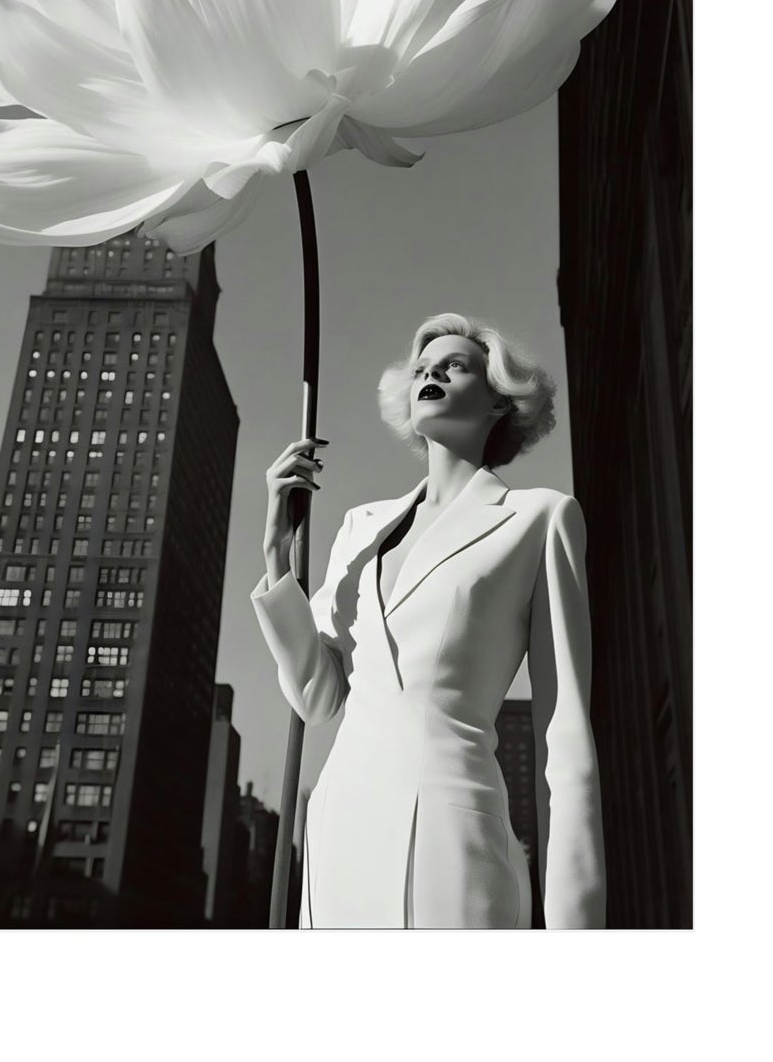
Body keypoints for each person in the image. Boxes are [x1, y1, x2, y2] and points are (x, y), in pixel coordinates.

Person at [251, 312, 605, 928]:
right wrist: (277, 555)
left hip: (452, 844)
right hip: (338, 837)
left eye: (454, 365)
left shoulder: (540, 519)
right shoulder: (361, 527)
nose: (431, 373)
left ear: (499, 401)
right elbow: (318, 697)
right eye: (420, 368)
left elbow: (565, 737)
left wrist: (576, 929)